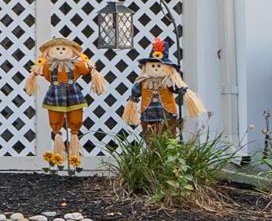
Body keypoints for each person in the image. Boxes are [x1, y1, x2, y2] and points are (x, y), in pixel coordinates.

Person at [26, 36, 106, 169]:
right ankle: (57, 138)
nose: (61, 51)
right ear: (50, 51)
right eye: (57, 49)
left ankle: (74, 140)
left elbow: (86, 68)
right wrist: (37, 67)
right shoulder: (47, 66)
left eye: (64, 48)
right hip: (55, 95)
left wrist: (88, 64)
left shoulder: (76, 65)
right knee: (55, 119)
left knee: (75, 117)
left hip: (73, 95)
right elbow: (40, 69)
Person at [123, 37, 204, 142]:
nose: (156, 68)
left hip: (168, 115)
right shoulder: (143, 82)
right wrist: (132, 102)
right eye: (153, 65)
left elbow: (178, 88)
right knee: (150, 140)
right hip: (148, 116)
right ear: (146, 66)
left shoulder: (169, 81)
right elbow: (135, 93)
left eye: (159, 65)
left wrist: (185, 92)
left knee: (169, 140)